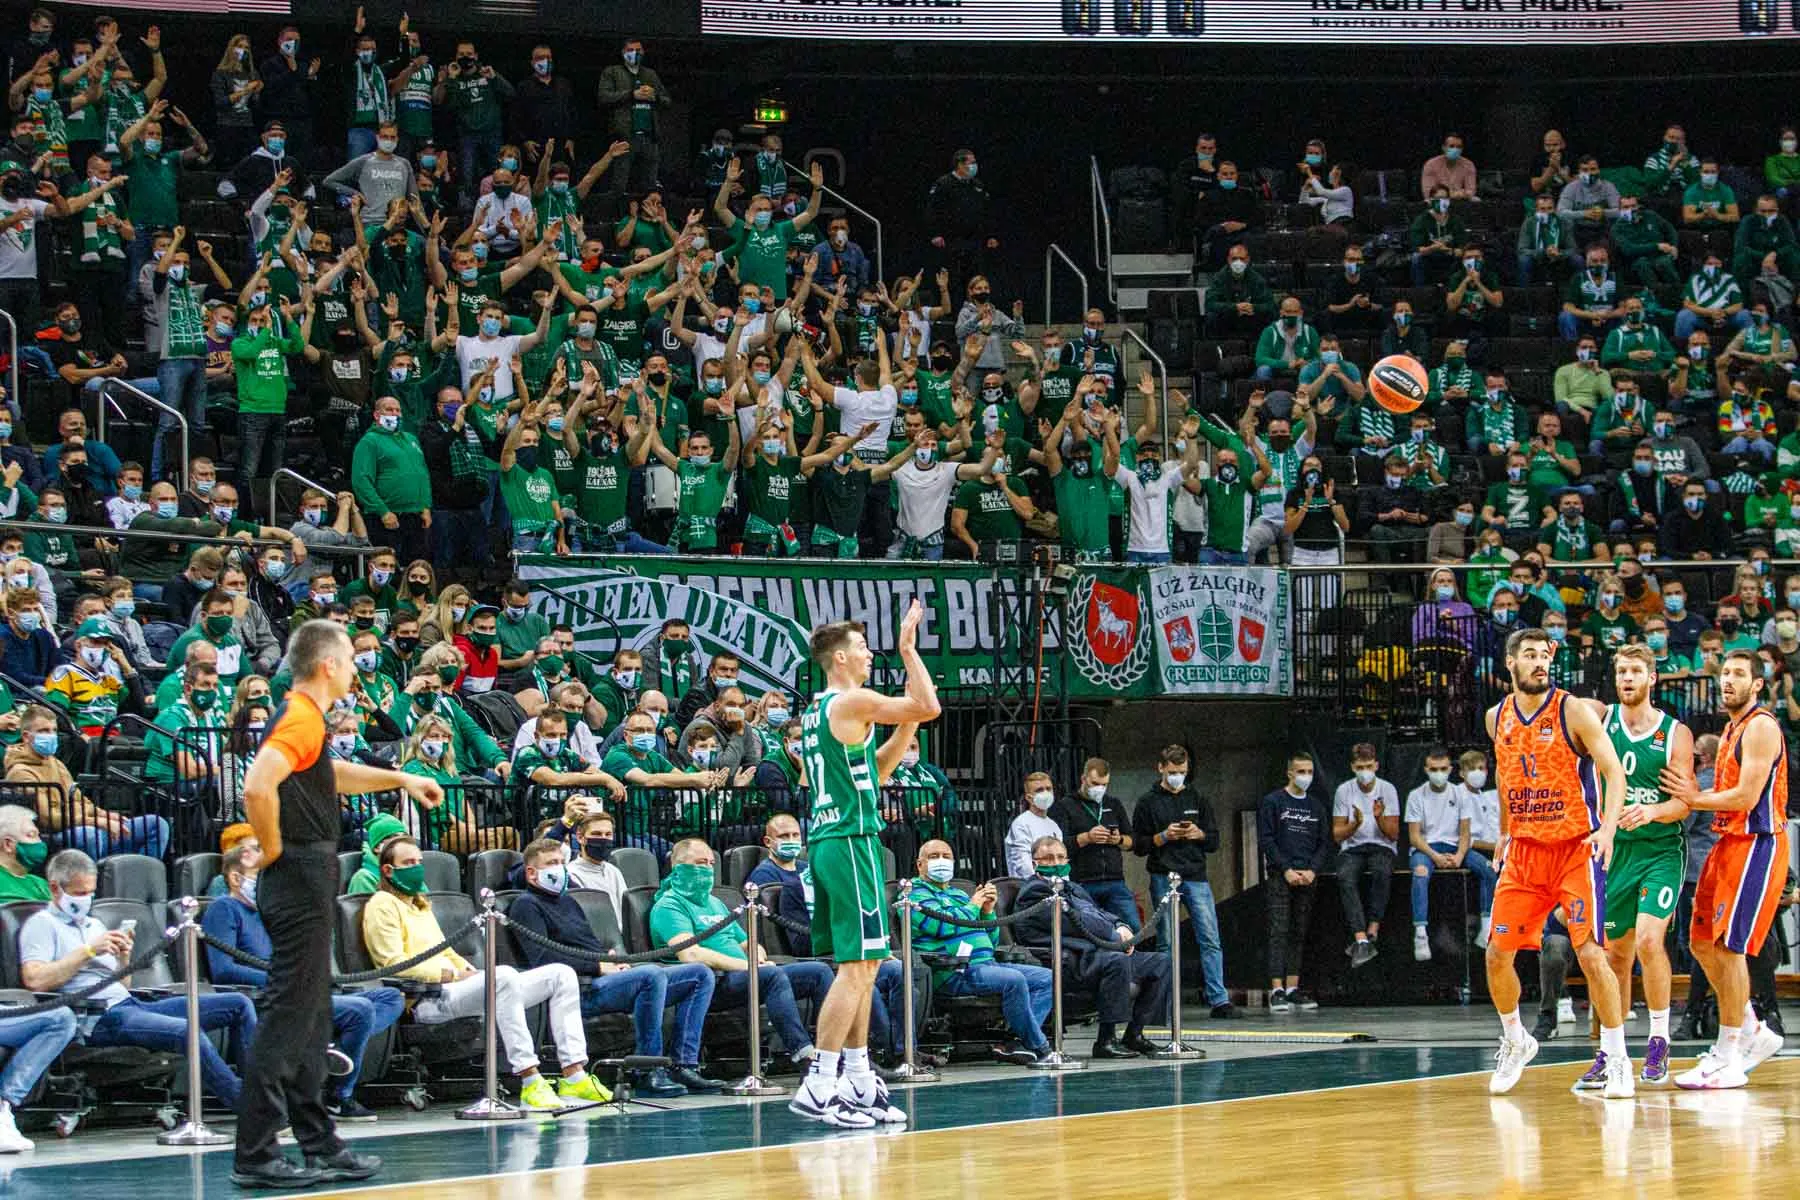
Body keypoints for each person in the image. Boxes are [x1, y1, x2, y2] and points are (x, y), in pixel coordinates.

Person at [231, 620, 448, 1188]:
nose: (354, 666)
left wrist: (399, 777)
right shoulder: (301, 714)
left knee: (313, 1017)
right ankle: (255, 1154)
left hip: (309, 869)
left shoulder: (306, 719)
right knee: (287, 1018)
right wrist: (274, 849)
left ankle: (320, 1142)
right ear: (328, 664)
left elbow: (330, 776)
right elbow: (257, 786)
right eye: (349, 658)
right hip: (297, 869)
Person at [788, 607, 938, 1128]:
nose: (870, 654)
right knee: (855, 968)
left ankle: (856, 1074)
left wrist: (907, 723)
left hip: (835, 839)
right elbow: (927, 704)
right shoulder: (851, 699)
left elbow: (875, 770)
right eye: (864, 647)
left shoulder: (819, 710)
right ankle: (820, 1082)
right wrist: (908, 648)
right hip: (850, 842)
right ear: (841, 657)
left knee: (866, 965)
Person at [1484, 627, 1630, 1097]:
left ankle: (1617, 1055)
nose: (1539, 663)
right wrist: (1505, 832)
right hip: (1525, 852)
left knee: (1590, 953)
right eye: (1528, 655)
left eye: (1544, 655)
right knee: (1496, 955)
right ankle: (1515, 1039)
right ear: (1510, 663)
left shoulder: (1573, 711)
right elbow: (1507, 781)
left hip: (1574, 848)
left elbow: (1614, 771)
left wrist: (1607, 829)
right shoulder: (1495, 718)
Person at [22, 850, 257, 1136]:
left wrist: (124, 959)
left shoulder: (94, 924)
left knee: (238, 1004)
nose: (86, 899)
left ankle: (259, 1090)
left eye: (91, 892)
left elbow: (123, 985)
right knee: (188, 1031)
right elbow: (35, 980)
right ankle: (250, 1109)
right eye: (79, 892)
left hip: (128, 1003)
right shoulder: (41, 925)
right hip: (96, 1017)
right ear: (55, 888)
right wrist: (87, 952)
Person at [367, 834, 606, 1109]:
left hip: (456, 987)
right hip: (425, 999)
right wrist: (452, 975)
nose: (417, 868)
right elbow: (393, 963)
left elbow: (445, 951)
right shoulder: (381, 904)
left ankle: (574, 1073)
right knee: (502, 976)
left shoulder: (420, 905)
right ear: (388, 869)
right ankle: (530, 1079)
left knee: (560, 974)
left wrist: (465, 968)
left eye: (419, 861)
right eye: (408, 862)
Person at [1661, 650, 1790, 1090]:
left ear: (1757, 683)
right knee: (1700, 943)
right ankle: (1752, 1028)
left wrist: (1693, 798)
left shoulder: (1761, 726)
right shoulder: (1732, 727)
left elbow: (1747, 797)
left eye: (1738, 674)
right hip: (1726, 842)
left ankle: (1729, 1053)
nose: (1727, 681)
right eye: (1724, 674)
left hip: (1756, 844)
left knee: (1730, 947)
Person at [203, 843, 405, 1122]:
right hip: (267, 998)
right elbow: (224, 970)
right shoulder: (225, 908)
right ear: (236, 878)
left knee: (391, 997)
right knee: (360, 1010)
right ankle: (339, 1095)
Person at [509, 838, 721, 1098]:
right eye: (551, 863)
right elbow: (541, 958)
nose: (560, 869)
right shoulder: (525, 905)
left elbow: (584, 945)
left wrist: (609, 958)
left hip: (600, 977)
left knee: (698, 974)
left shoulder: (568, 902)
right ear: (531, 872)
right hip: (577, 988)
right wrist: (598, 965)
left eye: (562, 863)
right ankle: (648, 1070)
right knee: (650, 975)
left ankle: (684, 1065)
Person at [1576, 647, 1694, 1090]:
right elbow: (1558, 705)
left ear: (1652, 678)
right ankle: (1613, 1051)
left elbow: (1684, 803)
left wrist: (1652, 812)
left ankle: (1660, 1039)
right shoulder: (1599, 718)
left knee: (1648, 940)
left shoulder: (1673, 733)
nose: (1627, 678)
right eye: (1621, 671)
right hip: (1614, 852)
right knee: (1614, 956)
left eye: (1636, 671)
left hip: (1660, 850)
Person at [744, 815, 914, 1071]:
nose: (791, 841)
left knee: (900, 970)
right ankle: (865, 1055)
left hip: (853, 949)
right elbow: (805, 941)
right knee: (859, 976)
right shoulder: (791, 884)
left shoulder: (835, 880)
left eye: (794, 836)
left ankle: (903, 1052)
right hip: (828, 955)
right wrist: (856, 945)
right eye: (784, 836)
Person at [650, 839, 834, 1074]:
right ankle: (804, 1055)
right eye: (699, 863)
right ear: (678, 867)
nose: (707, 869)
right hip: (714, 982)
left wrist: (756, 954)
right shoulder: (669, 905)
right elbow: (690, 953)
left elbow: (748, 942)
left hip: (746, 974)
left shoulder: (715, 903)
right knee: (770, 975)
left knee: (818, 972)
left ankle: (831, 1051)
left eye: (710, 863)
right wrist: (748, 966)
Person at [1014, 836, 1169, 1057]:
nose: (1056, 862)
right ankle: (1106, 1040)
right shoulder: (1035, 891)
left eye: (1060, 857)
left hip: (1099, 951)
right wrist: (1115, 937)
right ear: (1034, 863)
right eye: (1048, 858)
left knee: (1160, 962)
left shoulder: (1073, 888)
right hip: (1069, 959)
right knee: (1118, 961)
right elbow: (1077, 924)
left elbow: (1100, 913)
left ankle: (1135, 1034)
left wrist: (1121, 924)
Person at [908, 839, 1053, 1065]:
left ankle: (1017, 1044)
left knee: (1047, 978)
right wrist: (974, 905)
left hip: (986, 965)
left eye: (946, 857)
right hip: (954, 972)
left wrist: (987, 912)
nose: (941, 861)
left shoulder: (959, 895)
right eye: (934, 856)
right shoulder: (914, 896)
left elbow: (990, 940)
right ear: (920, 864)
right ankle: (1041, 1048)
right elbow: (942, 926)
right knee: (1013, 979)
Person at [1132, 743, 1232, 1017]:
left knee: (1210, 938)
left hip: (1196, 875)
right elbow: (1138, 845)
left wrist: (1198, 834)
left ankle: (1219, 999)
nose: (1178, 777)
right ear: (1161, 768)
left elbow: (1214, 841)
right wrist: (1163, 837)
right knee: (1165, 940)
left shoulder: (1198, 799)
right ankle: (1165, 999)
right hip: (1163, 875)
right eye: (1173, 771)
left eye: (1183, 772)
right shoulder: (1147, 802)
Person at [1405, 746, 1498, 962]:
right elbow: (1414, 837)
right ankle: (1420, 933)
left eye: (1443, 769)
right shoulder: (1416, 796)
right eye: (1434, 769)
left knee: (1487, 869)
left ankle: (1486, 929)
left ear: (1450, 769)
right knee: (1420, 872)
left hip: (1456, 847)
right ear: (1426, 769)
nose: (1439, 773)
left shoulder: (1459, 793)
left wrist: (1458, 856)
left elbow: (1465, 833)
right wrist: (1435, 857)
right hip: (1426, 849)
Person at [1258, 754, 1328, 1012]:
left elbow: (1323, 843)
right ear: (1289, 773)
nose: (1306, 776)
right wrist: (1285, 868)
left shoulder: (1317, 807)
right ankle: (1276, 989)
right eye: (1301, 771)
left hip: (1308, 875)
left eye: (1309, 771)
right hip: (1281, 875)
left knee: (1299, 931)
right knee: (1279, 930)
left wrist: (1312, 870)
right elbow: (1267, 839)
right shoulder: (1273, 802)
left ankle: (1292, 987)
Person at [1047, 756, 1139, 933]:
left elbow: (1132, 841)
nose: (1100, 789)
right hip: (1083, 882)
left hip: (1115, 880)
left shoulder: (1113, 804)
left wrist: (1118, 839)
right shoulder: (1066, 806)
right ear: (1084, 779)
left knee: (1132, 927)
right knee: (1092, 931)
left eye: (1104, 785)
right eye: (1095, 783)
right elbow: (1060, 846)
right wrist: (1086, 838)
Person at [1332, 743, 1400, 967]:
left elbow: (1393, 834)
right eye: (1360, 766)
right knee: (1345, 876)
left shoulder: (1387, 789)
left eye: (1369, 766)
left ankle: (1373, 927)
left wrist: (1379, 818)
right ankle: (1361, 938)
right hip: (1353, 847)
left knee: (1382, 870)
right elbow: (1337, 835)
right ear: (1353, 767)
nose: (1365, 771)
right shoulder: (1344, 790)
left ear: (1376, 765)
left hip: (1381, 845)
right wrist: (1356, 823)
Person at [1004, 771, 1063, 880]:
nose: (1046, 793)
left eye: (1048, 789)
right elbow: (1023, 866)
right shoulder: (1021, 824)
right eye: (1039, 790)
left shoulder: (1054, 826)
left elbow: (1061, 862)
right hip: (1030, 888)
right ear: (1029, 798)